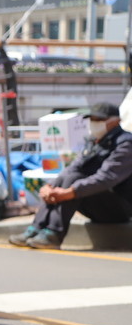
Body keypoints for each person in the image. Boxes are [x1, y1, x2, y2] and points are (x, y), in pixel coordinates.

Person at [10, 102, 132, 249]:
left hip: (120, 208)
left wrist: (71, 192)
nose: (94, 123)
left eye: (99, 120)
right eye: (92, 119)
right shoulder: (94, 142)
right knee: (67, 177)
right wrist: (50, 186)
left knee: (74, 180)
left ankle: (54, 233)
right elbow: (73, 167)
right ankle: (36, 228)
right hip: (96, 200)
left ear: (116, 121)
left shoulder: (125, 143)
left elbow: (106, 178)